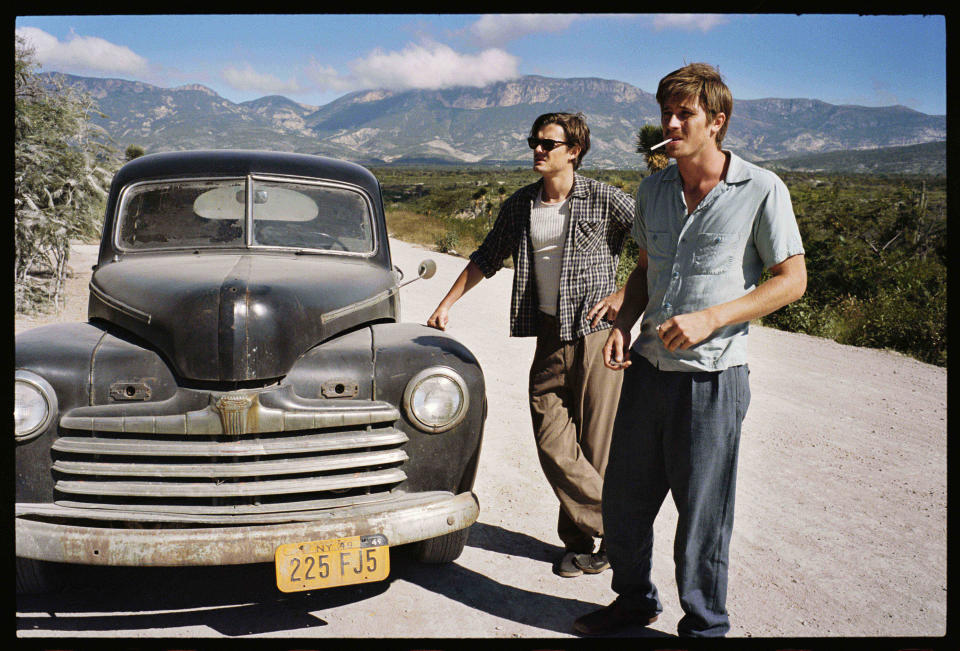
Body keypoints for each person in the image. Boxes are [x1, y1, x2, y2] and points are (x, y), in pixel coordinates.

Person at [573, 63, 807, 637]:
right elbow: (648, 268)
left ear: (717, 122)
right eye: (666, 113)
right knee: (624, 502)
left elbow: (792, 278)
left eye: (685, 114)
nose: (671, 124)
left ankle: (704, 626)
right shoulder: (652, 188)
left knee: (702, 516)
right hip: (648, 370)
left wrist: (713, 318)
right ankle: (634, 601)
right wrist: (626, 321)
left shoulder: (760, 189)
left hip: (712, 379)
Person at [427, 112, 635, 577]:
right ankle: (620, 527)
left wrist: (624, 296)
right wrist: (447, 303)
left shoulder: (605, 199)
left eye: (548, 143)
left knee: (594, 446)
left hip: (596, 332)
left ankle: (583, 545)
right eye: (534, 142)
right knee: (552, 438)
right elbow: (487, 255)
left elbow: (655, 246)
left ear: (574, 151)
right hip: (548, 333)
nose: (538, 150)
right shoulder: (522, 204)